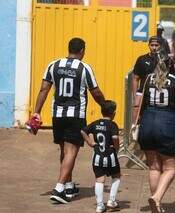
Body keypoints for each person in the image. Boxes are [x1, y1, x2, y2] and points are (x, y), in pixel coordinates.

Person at [31, 37, 106, 203]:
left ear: (69, 49)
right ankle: (59, 188)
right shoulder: (84, 68)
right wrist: (104, 105)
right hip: (75, 115)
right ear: (82, 51)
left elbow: (44, 89)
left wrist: (36, 112)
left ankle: (69, 186)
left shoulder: (53, 65)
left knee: (64, 150)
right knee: (71, 151)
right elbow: (96, 92)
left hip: (57, 115)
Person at [132, 54, 175, 213]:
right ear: (171, 66)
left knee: (153, 167)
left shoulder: (147, 80)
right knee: (170, 168)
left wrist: (134, 124)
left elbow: (136, 104)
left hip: (147, 123)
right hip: (167, 124)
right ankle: (157, 197)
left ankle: (157, 203)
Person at [81, 100, 121, 213]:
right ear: (113, 113)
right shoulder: (113, 125)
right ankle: (111, 201)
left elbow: (83, 131)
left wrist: (90, 142)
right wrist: (116, 148)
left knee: (99, 179)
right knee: (116, 175)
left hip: (97, 155)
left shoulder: (95, 123)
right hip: (110, 155)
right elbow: (115, 138)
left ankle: (99, 205)